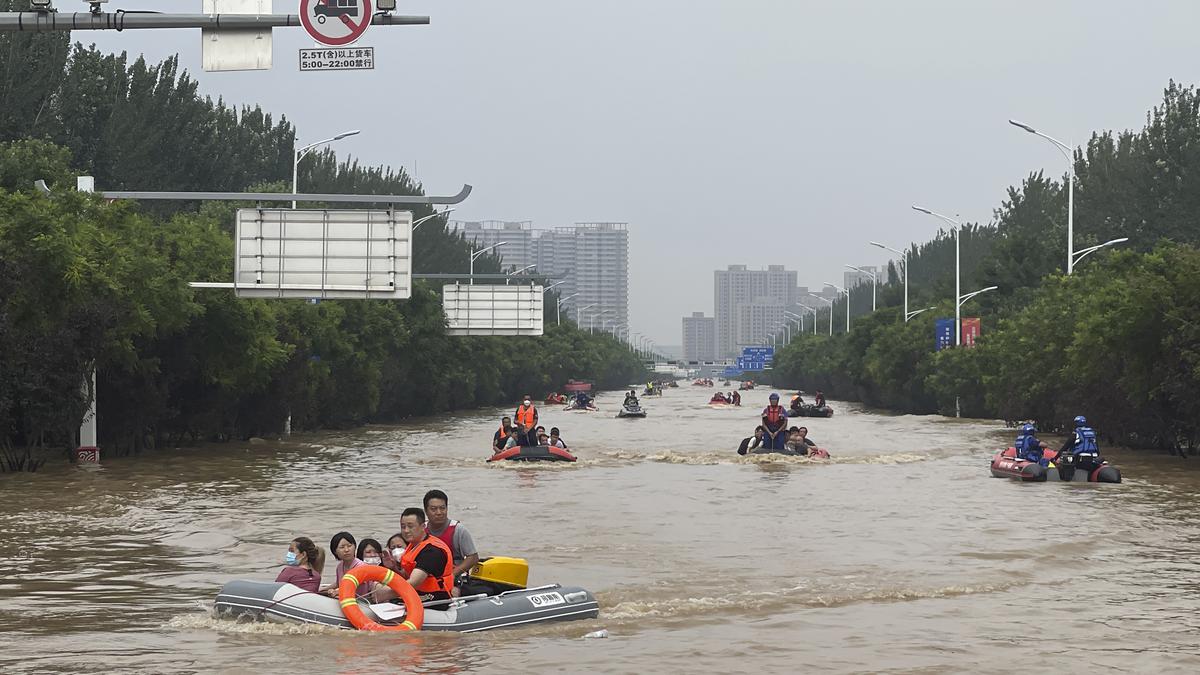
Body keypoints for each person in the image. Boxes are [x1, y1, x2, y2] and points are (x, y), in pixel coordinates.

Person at [377, 507, 454, 603]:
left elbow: (413, 582)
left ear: (423, 526)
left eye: (410, 526)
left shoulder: (432, 551)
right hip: (416, 594)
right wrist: (393, 568)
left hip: (434, 599)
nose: (406, 530)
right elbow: (406, 575)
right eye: (403, 526)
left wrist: (386, 594)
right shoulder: (412, 546)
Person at [423, 489, 481, 588]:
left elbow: (473, 558)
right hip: (426, 580)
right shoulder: (421, 530)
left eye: (442, 508)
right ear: (426, 511)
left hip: (454, 581)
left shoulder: (459, 530)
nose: (439, 512)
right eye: (433, 509)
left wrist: (453, 575)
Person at [320, 531, 363, 597]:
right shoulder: (340, 566)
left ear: (355, 547)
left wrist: (336, 591)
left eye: (349, 546)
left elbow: (352, 587)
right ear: (335, 551)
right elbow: (338, 584)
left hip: (362, 601)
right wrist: (321, 590)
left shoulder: (360, 566)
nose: (346, 550)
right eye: (342, 547)